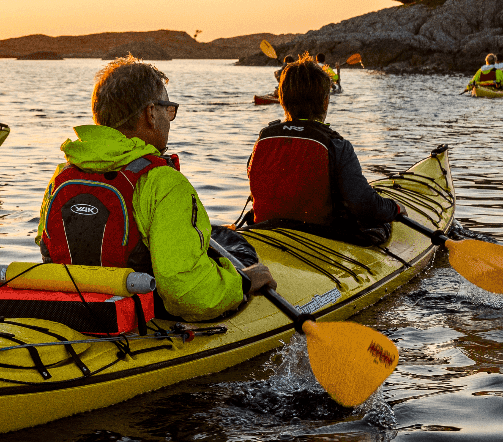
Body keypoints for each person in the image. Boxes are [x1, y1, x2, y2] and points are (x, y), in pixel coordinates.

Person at [37, 57, 275, 320]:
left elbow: (45, 244)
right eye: (168, 108)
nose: (169, 119)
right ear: (151, 113)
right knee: (238, 252)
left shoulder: (62, 175)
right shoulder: (163, 183)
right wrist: (241, 283)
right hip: (140, 318)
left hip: (69, 312)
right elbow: (184, 292)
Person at [247, 56, 403, 245]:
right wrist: (395, 208)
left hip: (264, 234)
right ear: (325, 101)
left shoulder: (263, 139)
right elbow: (364, 206)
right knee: (379, 225)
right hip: (320, 239)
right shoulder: (336, 145)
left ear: (281, 99)